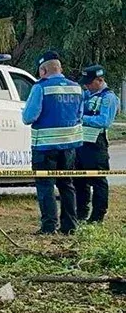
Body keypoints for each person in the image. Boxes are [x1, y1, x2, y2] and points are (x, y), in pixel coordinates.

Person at [21, 51, 83, 234]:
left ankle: (49, 227)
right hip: (69, 146)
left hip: (45, 147)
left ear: (43, 70)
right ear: (60, 68)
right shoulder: (76, 88)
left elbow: (28, 117)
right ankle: (70, 226)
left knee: (45, 186)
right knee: (67, 185)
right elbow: (79, 116)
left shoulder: (41, 87)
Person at [75, 65, 119, 223]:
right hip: (80, 143)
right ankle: (80, 213)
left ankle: (97, 216)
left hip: (96, 144)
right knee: (79, 180)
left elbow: (104, 121)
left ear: (99, 80)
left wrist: (82, 119)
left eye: (89, 82)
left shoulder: (109, 97)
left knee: (98, 181)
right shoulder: (86, 94)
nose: (86, 85)